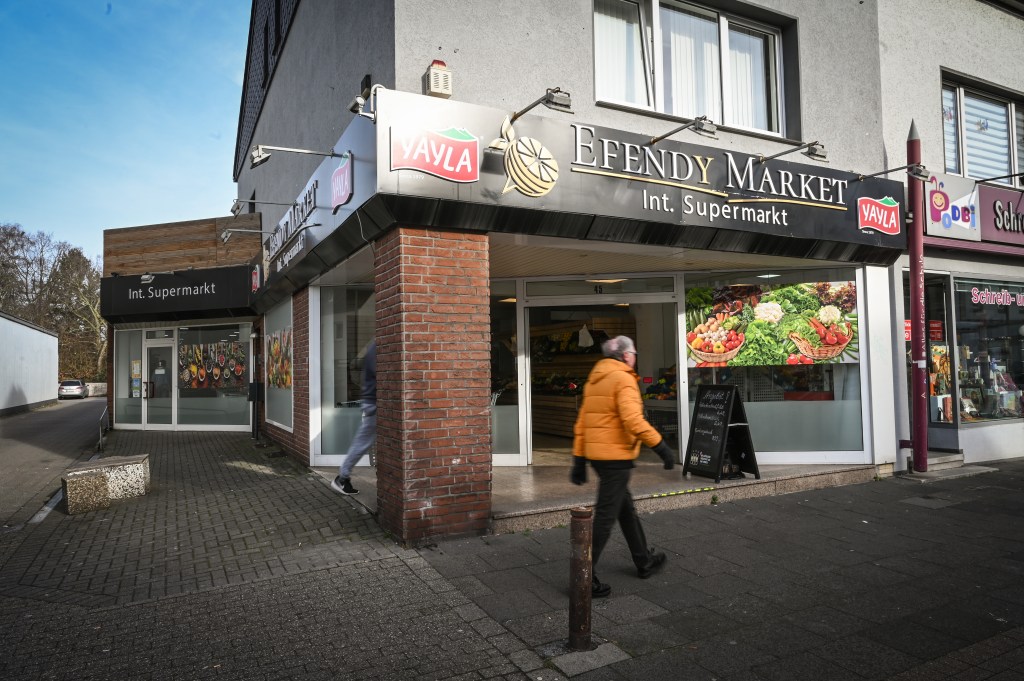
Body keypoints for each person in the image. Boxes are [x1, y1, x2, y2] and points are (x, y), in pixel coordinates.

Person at [571, 335, 676, 598]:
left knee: (625, 509)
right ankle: (582, 578)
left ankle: (644, 561)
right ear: (626, 356)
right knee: (605, 518)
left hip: (600, 456)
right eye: (634, 354)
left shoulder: (595, 378)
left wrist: (580, 459)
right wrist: (661, 446)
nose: (635, 358)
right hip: (615, 458)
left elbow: (583, 421)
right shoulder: (623, 378)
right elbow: (633, 420)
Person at [332, 340, 376, 495]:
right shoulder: (377, 347)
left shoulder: (370, 346)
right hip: (374, 402)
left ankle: (343, 477)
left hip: (371, 401)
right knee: (362, 443)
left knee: (363, 442)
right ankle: (342, 478)